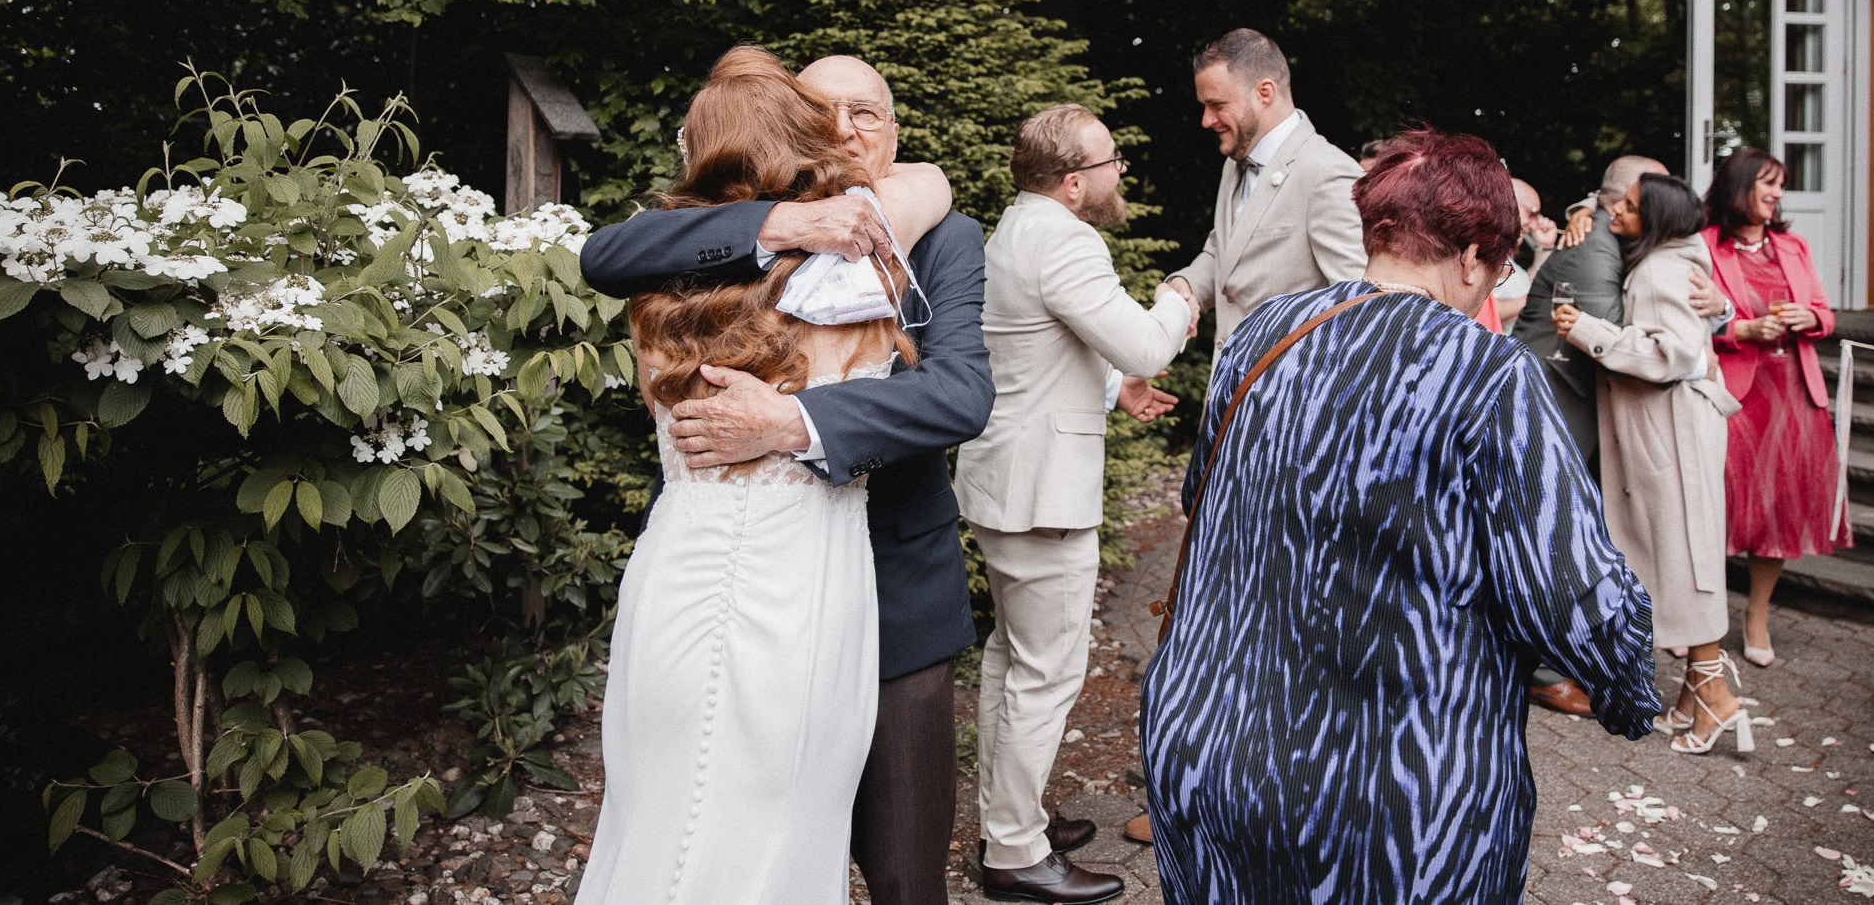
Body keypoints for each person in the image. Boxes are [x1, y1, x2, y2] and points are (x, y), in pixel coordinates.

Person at [1141, 129, 1659, 905]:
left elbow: (1204, 498)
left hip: (1211, 754)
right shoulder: (1489, 375)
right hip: (1392, 799)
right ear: (1474, 255)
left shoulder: (1263, 334)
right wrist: (1631, 691)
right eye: (1500, 267)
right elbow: (1571, 594)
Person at [578, 53, 994, 905]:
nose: (845, 130)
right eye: (823, 112)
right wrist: (786, 223)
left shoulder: (943, 234)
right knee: (729, 830)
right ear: (794, 131)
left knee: (905, 873)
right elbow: (604, 252)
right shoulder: (715, 239)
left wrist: (793, 424)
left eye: (865, 114)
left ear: (895, 130)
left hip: (895, 591)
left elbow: (961, 392)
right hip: (738, 588)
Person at [956, 106, 1196, 903]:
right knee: (1049, 672)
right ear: (1072, 181)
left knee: (1010, 660)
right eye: (1109, 160)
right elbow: (1149, 342)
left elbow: (1032, 347)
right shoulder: (1066, 238)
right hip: (1041, 492)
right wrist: (1181, 295)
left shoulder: (1015, 230)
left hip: (1005, 480)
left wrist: (1109, 388)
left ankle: (1008, 820)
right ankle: (1015, 851)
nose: (1117, 170)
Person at [1554, 174, 1746, 754]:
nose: (1619, 212)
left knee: (1683, 553)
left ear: (1656, 219)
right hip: (1669, 427)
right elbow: (1605, 199)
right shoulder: (1669, 258)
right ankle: (1693, 693)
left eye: (1632, 209)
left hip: (1674, 430)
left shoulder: (1661, 271)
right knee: (1678, 548)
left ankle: (1718, 697)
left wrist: (1586, 330)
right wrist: (1581, 207)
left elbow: (1675, 353)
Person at [1702, 147, 1844, 668]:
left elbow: (1826, 313)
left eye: (1779, 186)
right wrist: (1742, 330)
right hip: (1737, 394)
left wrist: (1811, 318)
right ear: (1739, 187)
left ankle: (1757, 613)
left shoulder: (1793, 245)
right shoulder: (1703, 247)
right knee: (1721, 504)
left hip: (1794, 393)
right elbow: (1687, 320)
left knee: (1780, 507)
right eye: (1768, 183)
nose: (1777, 194)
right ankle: (1702, 618)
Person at [1165, 28, 1366, 349]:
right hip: (1229, 389)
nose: (1206, 120)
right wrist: (1186, 284)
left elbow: (1359, 305)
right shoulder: (1234, 162)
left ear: (1265, 92)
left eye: (1217, 104)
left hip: (1291, 393)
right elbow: (1225, 251)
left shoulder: (1328, 172)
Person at [1493, 176, 1559, 331]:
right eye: (1533, 213)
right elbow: (1479, 311)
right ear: (1510, 202)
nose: (1535, 224)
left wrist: (1545, 247)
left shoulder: (1507, 258)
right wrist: (1535, 299)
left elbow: (1527, 287)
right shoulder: (1482, 253)